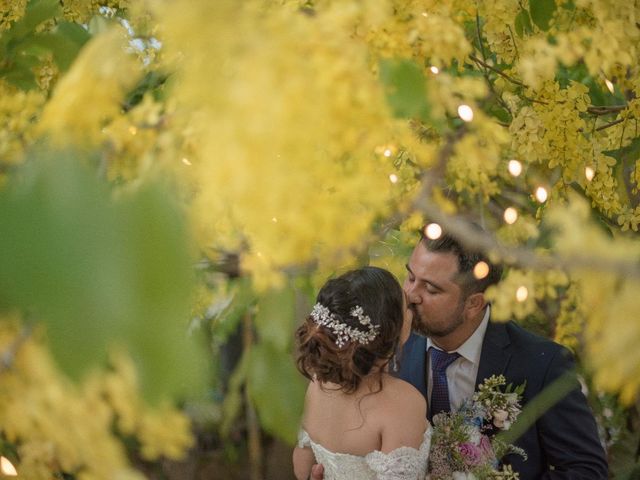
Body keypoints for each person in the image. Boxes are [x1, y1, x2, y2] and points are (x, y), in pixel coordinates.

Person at [311, 227, 608, 479]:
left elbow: (585, 470)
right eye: (410, 277)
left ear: (474, 304)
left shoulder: (542, 364)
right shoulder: (383, 350)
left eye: (431, 288)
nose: (411, 295)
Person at [293, 266, 431, 480]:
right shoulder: (403, 403)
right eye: (406, 307)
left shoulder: (317, 384)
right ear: (392, 329)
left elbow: (302, 466)